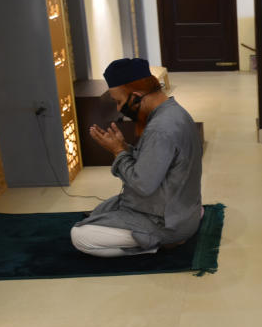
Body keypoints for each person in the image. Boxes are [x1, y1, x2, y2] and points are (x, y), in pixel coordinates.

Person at [71, 58, 202, 257]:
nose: (118, 109)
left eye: (118, 101)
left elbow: (142, 185)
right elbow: (157, 163)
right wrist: (125, 148)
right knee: (100, 212)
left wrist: (118, 152)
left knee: (80, 236)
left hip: (167, 222)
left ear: (136, 96)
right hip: (183, 208)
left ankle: (159, 243)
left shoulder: (160, 128)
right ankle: (186, 223)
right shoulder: (172, 112)